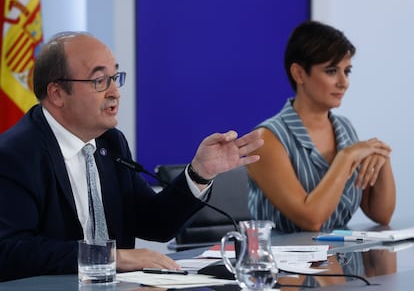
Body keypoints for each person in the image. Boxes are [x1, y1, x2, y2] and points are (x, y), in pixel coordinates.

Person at [0, 31, 264, 281]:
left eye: (116, 78)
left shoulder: (110, 143)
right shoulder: (16, 154)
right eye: (99, 81)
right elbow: (10, 251)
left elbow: (155, 224)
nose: (115, 91)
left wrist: (200, 172)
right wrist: (109, 258)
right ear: (57, 93)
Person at [247, 20, 396, 233]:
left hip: (341, 261)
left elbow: (381, 214)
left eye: (347, 71)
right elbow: (311, 220)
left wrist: (381, 155)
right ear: (299, 74)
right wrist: (345, 158)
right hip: (281, 263)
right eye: (332, 71)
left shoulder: (345, 128)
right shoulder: (265, 139)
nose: (344, 82)